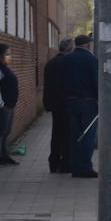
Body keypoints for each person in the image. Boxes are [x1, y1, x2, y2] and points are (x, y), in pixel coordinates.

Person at [61, 34, 99, 178]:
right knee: (87, 136)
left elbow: (62, 82)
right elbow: (96, 82)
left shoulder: (66, 59)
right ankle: (85, 167)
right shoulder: (91, 59)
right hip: (88, 103)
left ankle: (75, 166)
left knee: (75, 136)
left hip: (71, 102)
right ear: (88, 45)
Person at [44, 38, 74, 173]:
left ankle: (53, 162)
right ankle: (66, 163)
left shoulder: (50, 63)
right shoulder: (68, 63)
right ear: (69, 49)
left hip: (54, 104)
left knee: (56, 134)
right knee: (67, 135)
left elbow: (47, 85)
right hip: (66, 104)